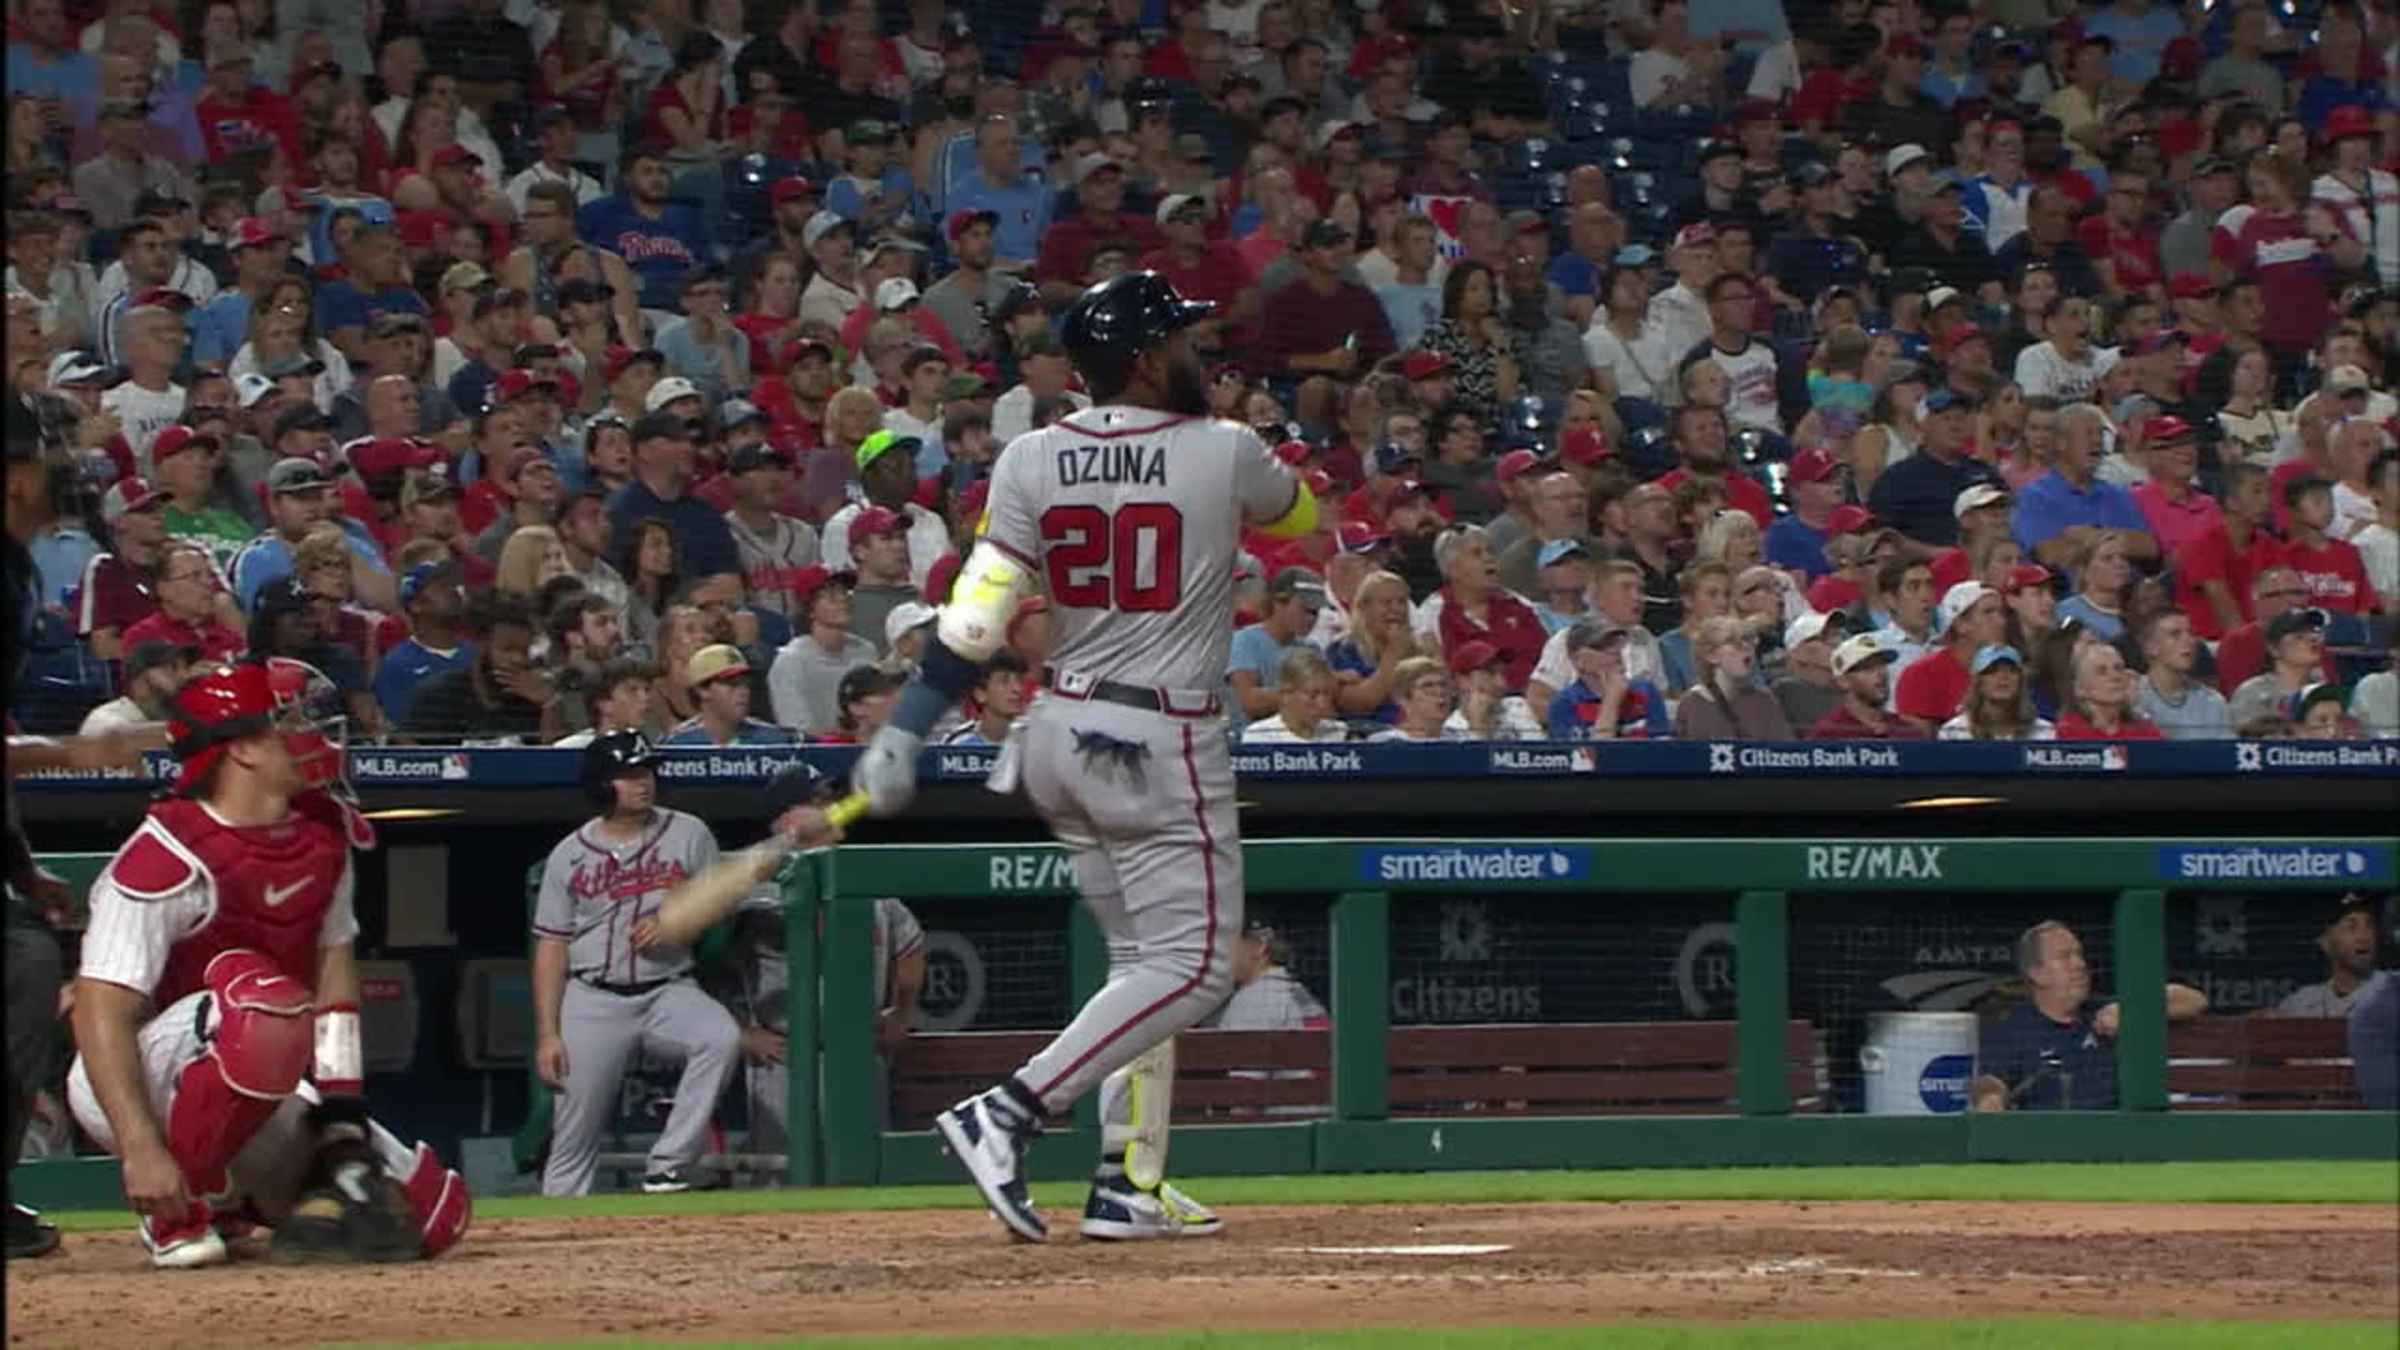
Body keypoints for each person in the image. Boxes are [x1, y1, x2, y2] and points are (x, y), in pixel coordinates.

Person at [849, 272, 1312, 1244]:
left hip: (1056, 734)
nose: (1197, 351)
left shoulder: (1027, 456)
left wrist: (908, 723)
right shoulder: (1223, 448)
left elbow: (976, 611)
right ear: (1146, 360)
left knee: (1144, 963)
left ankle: (1125, 1183)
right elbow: (1301, 517)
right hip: (1157, 736)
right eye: (1178, 340)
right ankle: (1007, 1110)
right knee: (1195, 969)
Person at [66, 659, 472, 1266]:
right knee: (262, 1001)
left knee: (428, 1215)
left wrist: (342, 1118)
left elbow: (334, 990)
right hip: (140, 1080)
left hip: (258, 1066)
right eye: (290, 722)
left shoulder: (321, 838)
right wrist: (140, 1148)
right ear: (245, 749)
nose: (313, 735)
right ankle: (175, 1210)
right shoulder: (165, 852)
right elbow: (99, 1011)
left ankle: (235, 1202)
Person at [532, 733, 838, 1196]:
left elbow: (719, 896)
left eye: (647, 772)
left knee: (718, 1037)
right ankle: (557, 1231)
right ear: (601, 784)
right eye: (629, 775)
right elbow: (551, 946)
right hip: (593, 997)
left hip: (666, 989)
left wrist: (678, 921)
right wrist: (548, 1034)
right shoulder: (568, 854)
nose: (643, 783)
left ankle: (669, 1165)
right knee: (574, 1138)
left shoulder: (687, 832)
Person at [709, 763, 921, 1148]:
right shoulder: (752, 889)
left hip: (858, 1053)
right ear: (788, 818)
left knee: (863, 1171)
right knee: (782, 1177)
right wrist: (741, 1032)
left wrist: (902, 1013)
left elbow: (910, 947)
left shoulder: (862, 876)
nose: (835, 808)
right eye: (820, 802)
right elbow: (694, 968)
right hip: (784, 1057)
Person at [1970, 919, 2209, 1112]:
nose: (2079, 964)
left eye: (2079, 955)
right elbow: (1991, 1081)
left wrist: (2134, 1011)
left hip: (2119, 1141)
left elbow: (2195, 1000)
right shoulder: (2015, 1028)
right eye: (2065, 957)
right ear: (2037, 974)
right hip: (2047, 1145)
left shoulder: (2104, 1011)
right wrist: (1990, 1098)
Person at [401, 592, 550, 743]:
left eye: (524, 651)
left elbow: (555, 759)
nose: (518, 659)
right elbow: (416, 761)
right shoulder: (437, 698)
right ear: (479, 643)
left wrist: (548, 706)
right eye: (508, 649)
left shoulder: (535, 701)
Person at [765, 567, 878, 735]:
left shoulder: (865, 652)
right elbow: (797, 730)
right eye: (832, 596)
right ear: (810, 608)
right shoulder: (791, 661)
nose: (843, 600)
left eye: (846, 592)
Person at [120, 541, 245, 664]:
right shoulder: (144, 637)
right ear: (163, 588)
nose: (209, 583)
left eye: (210, 575)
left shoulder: (227, 632)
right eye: (195, 576)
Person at [1544, 620, 1670, 740]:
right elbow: (1591, 759)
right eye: (1602, 647)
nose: (1616, 652)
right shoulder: (1564, 704)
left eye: (1616, 644)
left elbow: (1663, 751)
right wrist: (1611, 700)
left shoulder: (1646, 692)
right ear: (1578, 659)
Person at [1227, 567, 1326, 719]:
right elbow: (1249, 701)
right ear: (1278, 603)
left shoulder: (1312, 648)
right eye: (1306, 609)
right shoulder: (1244, 642)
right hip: (1252, 737)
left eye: (1316, 612)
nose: (1312, 618)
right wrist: (1309, 691)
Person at [1672, 616, 1792, 740]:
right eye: (1735, 643)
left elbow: (1783, 753)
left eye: (1750, 643)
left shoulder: (1765, 702)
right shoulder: (1692, 704)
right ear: (1711, 655)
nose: (1747, 648)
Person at [661, 644, 795, 747]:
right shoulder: (678, 745)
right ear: (702, 690)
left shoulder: (772, 741)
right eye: (732, 683)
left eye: (745, 683)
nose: (743, 691)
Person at [2275, 896, 2385, 1018]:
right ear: (2325, 942)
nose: (2364, 937)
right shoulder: (2301, 1003)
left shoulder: (2392, 993)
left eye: (2370, 926)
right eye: (2351, 927)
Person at [2132, 610, 2232, 739]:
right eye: (2175, 634)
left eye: (2191, 633)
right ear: (2151, 647)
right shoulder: (2134, 698)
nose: (2189, 640)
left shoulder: (2212, 701)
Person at [1805, 633, 1924, 740]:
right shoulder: (1828, 736)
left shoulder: (1907, 732)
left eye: (1881, 665)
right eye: (1868, 668)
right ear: (1843, 681)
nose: (1880, 673)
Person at [2230, 609, 2335, 728]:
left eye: (2315, 633)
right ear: (2274, 649)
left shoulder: (2325, 691)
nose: (2313, 639)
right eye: (2299, 636)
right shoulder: (2253, 693)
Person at [1937, 645, 2055, 740]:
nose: (2003, 677)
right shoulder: (1954, 732)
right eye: (1992, 671)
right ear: (1978, 682)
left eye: (2012, 671)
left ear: (2021, 681)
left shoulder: (2044, 731)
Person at [2056, 641, 2165, 741]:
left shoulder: (2146, 732)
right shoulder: (2067, 733)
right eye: (2101, 671)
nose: (2115, 676)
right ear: (2080, 689)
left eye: (2118, 668)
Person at [1443, 640, 1543, 741]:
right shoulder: (1450, 731)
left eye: (1502, 673)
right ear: (1463, 680)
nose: (1501, 683)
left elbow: (1538, 752)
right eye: (1490, 673)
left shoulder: (1518, 707)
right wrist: (1478, 728)